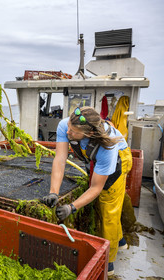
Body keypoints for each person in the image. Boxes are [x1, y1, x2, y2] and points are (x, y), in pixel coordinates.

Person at [42, 106, 132, 276]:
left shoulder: (108, 149)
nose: (67, 132)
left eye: (73, 131)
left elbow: (96, 187)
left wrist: (72, 207)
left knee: (108, 209)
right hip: (95, 159)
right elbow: (60, 159)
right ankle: (120, 240)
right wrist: (53, 192)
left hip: (120, 159)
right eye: (68, 126)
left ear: (89, 134)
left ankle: (109, 262)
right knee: (100, 205)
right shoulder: (66, 126)